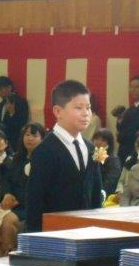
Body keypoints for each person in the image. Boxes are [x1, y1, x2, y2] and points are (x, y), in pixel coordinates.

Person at [25, 80, 103, 232]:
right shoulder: (45, 151)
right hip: (56, 235)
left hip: (87, 232)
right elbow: (35, 201)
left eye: (88, 107)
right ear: (58, 111)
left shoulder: (91, 149)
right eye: (78, 108)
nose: (86, 113)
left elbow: (95, 194)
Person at [0, 122, 46, 257]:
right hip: (13, 204)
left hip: (30, 206)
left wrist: (17, 200)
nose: (29, 138)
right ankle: (5, 250)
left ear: (42, 139)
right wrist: (7, 194)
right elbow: (8, 181)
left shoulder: (44, 160)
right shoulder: (17, 158)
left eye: (34, 135)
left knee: (7, 221)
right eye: (27, 135)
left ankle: (8, 252)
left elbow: (38, 189)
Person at [0, 76, 29, 151]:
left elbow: (23, 122)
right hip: (2, 138)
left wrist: (11, 114)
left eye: (1, 89)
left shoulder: (20, 101)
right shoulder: (1, 104)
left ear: (9, 87)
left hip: (15, 139)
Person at [91, 128, 122, 195]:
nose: (99, 142)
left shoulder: (113, 160)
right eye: (96, 139)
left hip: (104, 194)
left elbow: (111, 181)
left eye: (103, 140)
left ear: (109, 143)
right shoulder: (90, 156)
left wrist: (98, 192)